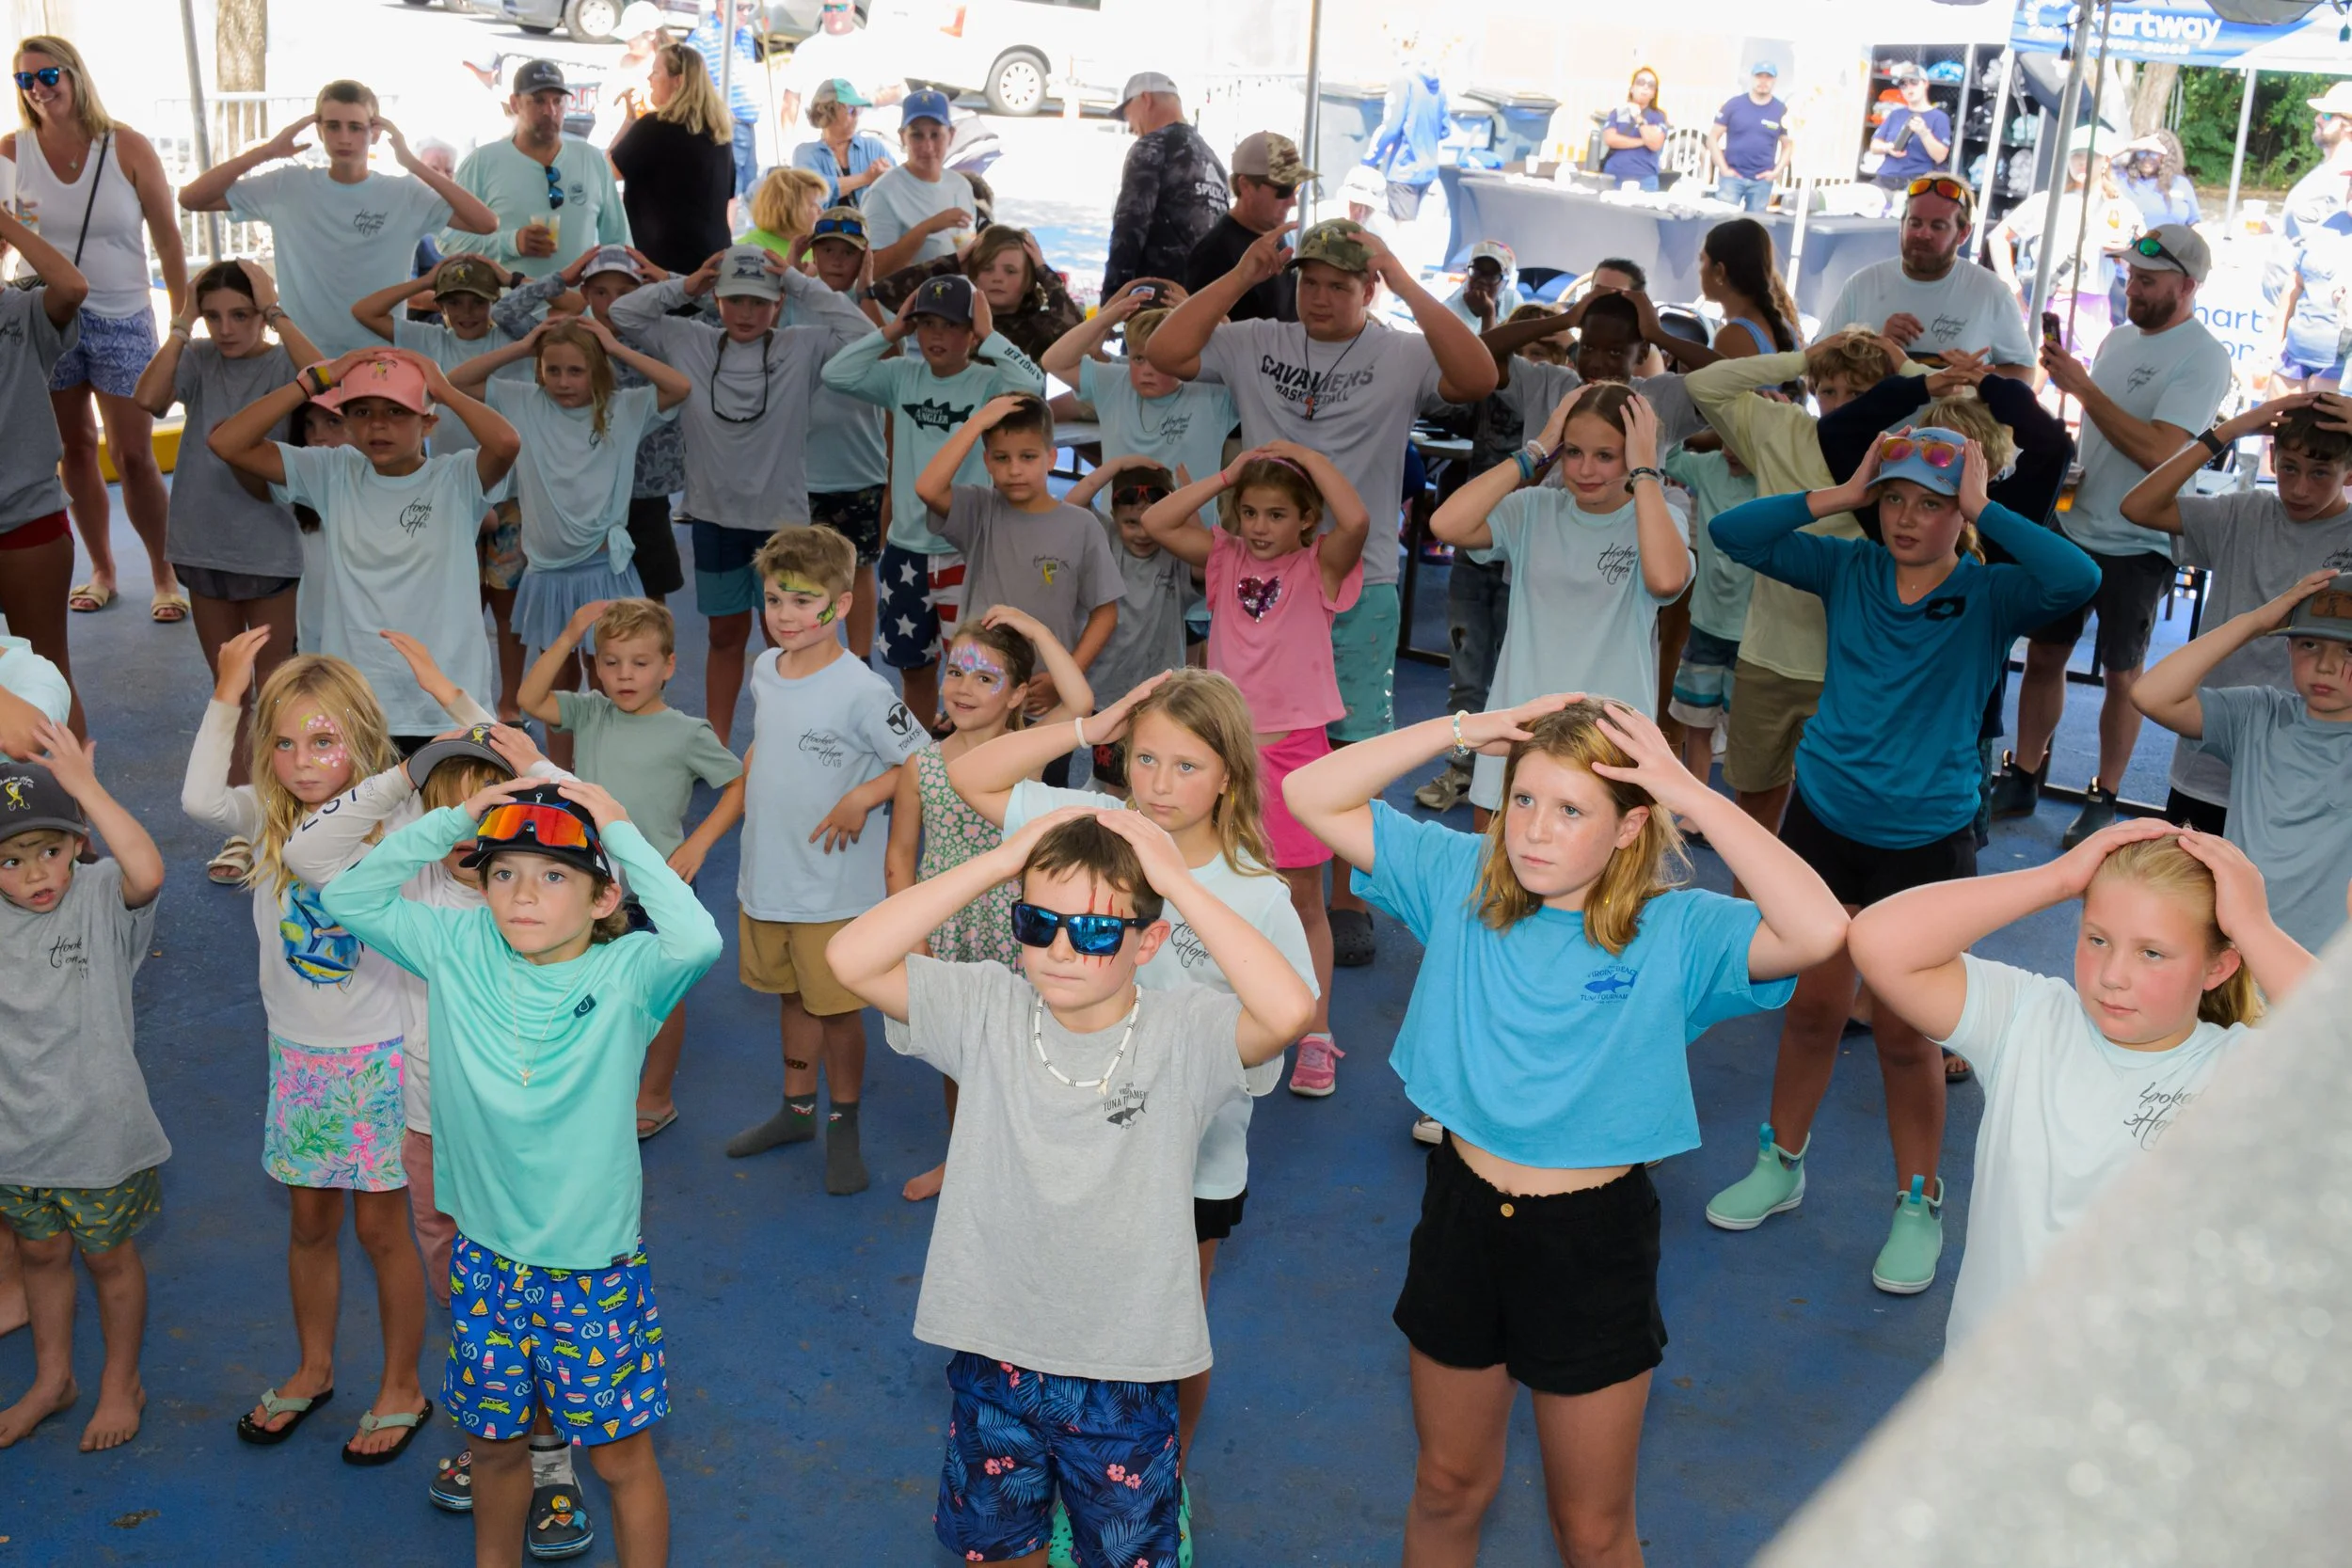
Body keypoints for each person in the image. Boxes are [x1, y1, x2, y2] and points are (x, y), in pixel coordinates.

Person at [1279, 695, 1846, 1567]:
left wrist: (1691, 792)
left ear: (1630, 830)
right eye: (1525, 801)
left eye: (1573, 809)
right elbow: (1311, 792)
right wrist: (1466, 729)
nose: (1534, 831)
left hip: (1592, 1243)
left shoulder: (1674, 930)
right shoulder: (1462, 880)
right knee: (1445, 1485)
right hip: (1463, 1219)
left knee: (1591, 1529)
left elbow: (1818, 928)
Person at [830, 785, 1314, 1566]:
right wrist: (1003, 861)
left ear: (1148, 942)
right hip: (995, 1354)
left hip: (1125, 1368)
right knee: (998, 1550)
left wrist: (1179, 880)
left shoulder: (1184, 1030)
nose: (1060, 948)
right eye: (1038, 922)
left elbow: (1290, 1009)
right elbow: (849, 956)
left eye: (1093, 929)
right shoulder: (986, 1006)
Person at [1700, 433, 2101, 1294]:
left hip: (1926, 836)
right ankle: (1783, 1161)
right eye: (1895, 499)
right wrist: (1841, 494)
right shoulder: (1848, 570)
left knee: (1904, 1031)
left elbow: (2080, 581)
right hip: (1826, 818)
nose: (1908, 518)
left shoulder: (1992, 594)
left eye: (1931, 502)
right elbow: (1736, 533)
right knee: (1811, 1009)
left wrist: (1986, 505)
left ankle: (1919, 1201)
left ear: (1961, 510)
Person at [321, 772, 722, 1567]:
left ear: (603, 898)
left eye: (553, 876)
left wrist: (621, 826)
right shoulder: (457, 944)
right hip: (486, 1261)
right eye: (502, 872)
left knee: (619, 1460)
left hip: (591, 1275)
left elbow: (700, 939)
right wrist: (450, 823)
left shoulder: (630, 974)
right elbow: (350, 897)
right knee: (496, 1450)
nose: (521, 895)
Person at [1148, 218, 1499, 980]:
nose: (1320, 297)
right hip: (1260, 573)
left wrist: (1406, 283)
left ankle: (1345, 893)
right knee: (1252, 736)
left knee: (1355, 744)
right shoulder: (1257, 339)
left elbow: (1478, 380)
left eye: (1341, 284)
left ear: (1368, 288)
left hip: (1357, 574)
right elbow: (1165, 351)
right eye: (1310, 281)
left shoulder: (1401, 351)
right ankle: (1243, 865)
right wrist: (1243, 275)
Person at [1854, 819, 2311, 1349]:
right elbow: (1878, 940)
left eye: (2152, 953)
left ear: (2219, 968)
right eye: (2098, 939)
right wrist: (2057, 879)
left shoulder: (2238, 1070)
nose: (2113, 974)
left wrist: (2254, 927)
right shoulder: (2027, 1018)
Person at [182, 640, 431, 1461]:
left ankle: (403, 1385)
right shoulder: (265, 816)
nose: (300, 761)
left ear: (362, 740)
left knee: (385, 1233)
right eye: (283, 743)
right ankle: (315, 1365)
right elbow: (194, 800)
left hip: (381, 1061)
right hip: (298, 1060)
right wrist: (228, 695)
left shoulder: (396, 826)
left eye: (322, 741)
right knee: (309, 1224)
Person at [1140, 441, 1371, 1093]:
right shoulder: (1222, 556)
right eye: (1249, 512)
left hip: (1295, 756)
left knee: (1302, 899)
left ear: (1305, 520)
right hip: (1221, 755)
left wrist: (1302, 453)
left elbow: (1356, 522)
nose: (1260, 526)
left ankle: (1317, 1032)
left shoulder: (1320, 566)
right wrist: (1225, 475)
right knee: (1214, 889)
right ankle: (1229, 1011)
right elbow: (1158, 522)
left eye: (1276, 513)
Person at [1995, 225, 2234, 847]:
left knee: (2124, 674)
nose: (2134, 288)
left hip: (2139, 539)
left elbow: (2161, 449)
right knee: (2043, 653)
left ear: (2187, 286)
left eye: (2148, 280)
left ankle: (2104, 794)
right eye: (2131, 276)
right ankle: (2024, 771)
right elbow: (2107, 430)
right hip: (2076, 521)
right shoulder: (2119, 338)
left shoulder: (2204, 356)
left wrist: (2083, 388)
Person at [724, 526, 930, 1194]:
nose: (783, 614)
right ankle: (796, 1107)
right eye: (774, 598)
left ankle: (844, 1122)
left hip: (834, 891)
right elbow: (764, 753)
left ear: (840, 605)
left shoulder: (863, 690)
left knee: (839, 1008)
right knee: (792, 994)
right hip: (771, 876)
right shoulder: (764, 669)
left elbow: (929, 762)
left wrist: (864, 795)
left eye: (801, 600)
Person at [610, 243, 869, 745]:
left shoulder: (802, 344)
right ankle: (719, 744)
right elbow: (622, 313)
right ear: (717, 298)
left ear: (777, 304)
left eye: (759, 301)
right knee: (724, 638)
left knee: (787, 639)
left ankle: (791, 740)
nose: (746, 313)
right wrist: (686, 286)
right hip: (714, 520)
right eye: (735, 300)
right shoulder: (690, 339)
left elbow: (863, 334)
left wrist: (798, 281)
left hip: (785, 526)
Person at [885, 608, 1096, 1204]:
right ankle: (966, 1163)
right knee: (962, 1059)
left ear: (1017, 695)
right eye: (956, 672)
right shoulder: (921, 767)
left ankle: (1037, 1167)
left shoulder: (1028, 748)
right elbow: (900, 859)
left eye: (985, 678)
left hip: (1020, 933)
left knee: (1036, 1054)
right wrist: (914, 941)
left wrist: (1039, 630)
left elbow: (1080, 701)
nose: (964, 688)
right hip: (949, 934)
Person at [208, 348, 520, 749]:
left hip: (448, 704)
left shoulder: (456, 477)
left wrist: (444, 388)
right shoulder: (332, 471)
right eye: (361, 412)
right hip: (356, 706)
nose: (377, 425)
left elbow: (507, 442)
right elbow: (227, 442)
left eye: (396, 412)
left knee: (453, 814)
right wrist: (311, 382)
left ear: (428, 423)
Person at [517, 597, 744, 1137]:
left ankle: (656, 1094)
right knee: (582, 982)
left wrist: (700, 844)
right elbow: (528, 698)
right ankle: (590, 1082)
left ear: (668, 666)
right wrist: (573, 631)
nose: (624, 675)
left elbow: (738, 785)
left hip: (650, 887)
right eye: (612, 662)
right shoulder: (591, 711)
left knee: (657, 990)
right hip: (586, 879)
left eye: (640, 663)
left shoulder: (688, 732)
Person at [131, 260, 324, 884]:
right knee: (231, 692)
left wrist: (276, 312)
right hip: (201, 539)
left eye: (240, 314)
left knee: (281, 694)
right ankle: (247, 827)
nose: (227, 327)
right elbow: (148, 398)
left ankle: (294, 819)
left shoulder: (279, 363)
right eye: (215, 315)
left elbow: (326, 383)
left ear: (262, 312)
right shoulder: (199, 357)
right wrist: (182, 326)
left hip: (269, 544)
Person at [0, 736, 166, 1453]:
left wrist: (84, 786)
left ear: (78, 844)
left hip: (102, 1134)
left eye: (51, 850)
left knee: (108, 1259)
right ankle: (52, 1378)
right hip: (19, 1137)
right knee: (39, 1257)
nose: (36, 873)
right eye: (10, 860)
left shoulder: (100, 896)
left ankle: (120, 1380)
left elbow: (149, 869)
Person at [1432, 380, 1692, 816]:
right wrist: (1537, 447)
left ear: (1634, 454)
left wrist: (1645, 471)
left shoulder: (1661, 516)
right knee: (1495, 879)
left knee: (1599, 881)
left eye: (1605, 455)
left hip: (1607, 738)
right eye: (1573, 452)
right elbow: (1446, 524)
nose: (1585, 469)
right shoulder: (1534, 508)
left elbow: (1666, 580)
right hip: (1520, 727)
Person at [1680, 328, 1900, 835]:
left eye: (1859, 394)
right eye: (1829, 391)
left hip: (1850, 664)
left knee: (1838, 821)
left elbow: (1961, 392)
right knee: (1754, 816)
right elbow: (1705, 385)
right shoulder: (1779, 427)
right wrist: (1804, 356)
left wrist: (1902, 364)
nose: (1840, 404)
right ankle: (1749, 913)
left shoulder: (1902, 449)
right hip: (1765, 656)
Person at [7, 36, 185, 624]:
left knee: (134, 455)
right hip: (43, 317)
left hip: (123, 315)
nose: (38, 88)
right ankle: (103, 569)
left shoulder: (125, 145)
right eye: (24, 79)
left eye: (48, 74)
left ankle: (164, 574)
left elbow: (167, 235)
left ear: (75, 75)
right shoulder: (11, 152)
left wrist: (182, 320)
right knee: (74, 449)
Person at [822, 272, 1047, 730]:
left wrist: (990, 335)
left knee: (975, 667)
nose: (936, 336)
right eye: (926, 325)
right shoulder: (900, 375)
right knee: (914, 668)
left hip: (963, 553)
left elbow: (1036, 385)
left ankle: (977, 764)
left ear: (969, 332)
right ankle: (920, 762)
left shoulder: (987, 384)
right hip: (905, 551)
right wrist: (891, 331)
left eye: (950, 326)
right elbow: (835, 373)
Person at [2119, 395, 2352, 832]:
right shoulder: (2244, 512)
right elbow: (2138, 507)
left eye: (2321, 473)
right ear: (2272, 458)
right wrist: (2227, 431)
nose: (2300, 488)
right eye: (2289, 468)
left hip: (2307, 766)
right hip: (2209, 751)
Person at [448, 318, 690, 692]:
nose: (563, 382)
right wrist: (523, 345)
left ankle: (601, 753)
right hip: (547, 573)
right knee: (558, 683)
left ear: (597, 369)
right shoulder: (524, 400)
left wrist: (615, 346)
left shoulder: (622, 408)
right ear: (539, 369)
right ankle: (560, 756)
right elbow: (455, 381)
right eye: (553, 370)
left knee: (606, 677)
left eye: (576, 371)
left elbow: (680, 387)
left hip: (603, 570)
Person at [179, 80, 498, 362]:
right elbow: (192, 199)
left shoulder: (404, 193)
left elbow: (485, 223)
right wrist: (268, 151)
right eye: (333, 126)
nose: (344, 137)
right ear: (319, 131)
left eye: (355, 127)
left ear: (375, 133)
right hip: (302, 359)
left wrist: (413, 164)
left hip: (380, 357)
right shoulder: (287, 185)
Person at [2132, 569, 2352, 954]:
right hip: (2234, 951)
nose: (2326, 666)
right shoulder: (2259, 714)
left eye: (2350, 650)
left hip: (2319, 970)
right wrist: (2254, 622)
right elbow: (2151, 695)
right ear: (2287, 648)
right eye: (2309, 645)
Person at [492, 245, 692, 610]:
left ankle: (654, 662)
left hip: (645, 489)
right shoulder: (571, 340)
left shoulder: (663, 336)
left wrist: (667, 279)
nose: (612, 302)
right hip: (579, 496)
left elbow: (713, 316)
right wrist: (560, 279)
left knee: (649, 594)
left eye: (625, 292)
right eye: (600, 292)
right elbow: (503, 312)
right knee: (587, 608)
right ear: (584, 294)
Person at [914, 396, 1125, 699]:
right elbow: (927, 487)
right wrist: (977, 423)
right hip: (978, 692)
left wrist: (1066, 675)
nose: (1014, 470)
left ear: (1051, 458)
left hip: (1041, 697)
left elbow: (1106, 613)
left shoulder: (1083, 526)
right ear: (987, 461)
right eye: (1001, 458)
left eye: (1028, 457)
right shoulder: (979, 509)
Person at [1041, 286, 1234, 519]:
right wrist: (1107, 317)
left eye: (1158, 360)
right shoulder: (1116, 382)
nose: (1146, 371)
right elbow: (1053, 361)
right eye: (1139, 359)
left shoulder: (1212, 393)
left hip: (1189, 541)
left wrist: (1205, 314)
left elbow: (1245, 361)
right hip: (1119, 535)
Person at [1814, 177, 2036, 374]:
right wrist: (1874, 347)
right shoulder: (1862, 285)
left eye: (1938, 226)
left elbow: (2024, 372)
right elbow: (1814, 364)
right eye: (1915, 223)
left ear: (1963, 233)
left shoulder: (1991, 293)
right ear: (1902, 225)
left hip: (1954, 422)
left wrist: (1978, 379)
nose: (1923, 234)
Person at [444, 60, 630, 282]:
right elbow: (447, 241)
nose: (549, 111)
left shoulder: (591, 160)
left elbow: (618, 241)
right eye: (538, 101)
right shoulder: (483, 163)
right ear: (515, 104)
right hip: (507, 311)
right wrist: (511, 243)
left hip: (578, 312)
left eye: (558, 101)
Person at [1988, 125, 2143, 361]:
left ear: (2105, 162)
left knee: (2076, 382)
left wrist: (2126, 252)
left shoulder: (2122, 208)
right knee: (2033, 372)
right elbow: (1998, 237)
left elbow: (2144, 259)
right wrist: (2012, 287)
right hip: (2048, 304)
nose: (2082, 162)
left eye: (2090, 156)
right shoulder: (2046, 201)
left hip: (2093, 308)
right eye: (2076, 155)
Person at [1058, 459, 1194, 725]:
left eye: (1151, 523)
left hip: (1159, 686)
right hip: (1103, 683)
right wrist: (1116, 465)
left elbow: (1203, 560)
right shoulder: (1104, 538)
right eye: (1132, 522)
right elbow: (1070, 506)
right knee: (1105, 759)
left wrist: (1188, 497)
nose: (1143, 533)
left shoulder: (1176, 552)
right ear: (1114, 514)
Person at [1661, 436, 1757, 782]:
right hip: (1705, 624)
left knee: (1746, 732)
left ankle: (1740, 814)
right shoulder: (1708, 466)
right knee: (1696, 720)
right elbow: (1667, 453)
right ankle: (1695, 808)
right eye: (1726, 439)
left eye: (1740, 440)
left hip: (1753, 631)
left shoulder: (1775, 477)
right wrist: (1708, 425)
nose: (1731, 450)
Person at [606, 43, 734, 277]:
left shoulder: (655, 127)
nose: (649, 78)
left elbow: (605, 173)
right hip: (713, 259)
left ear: (678, 80)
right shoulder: (719, 133)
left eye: (656, 72)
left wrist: (629, 124)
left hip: (663, 265)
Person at [877, 225, 1085, 367]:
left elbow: (1077, 332)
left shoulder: (1039, 326)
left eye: (1010, 271)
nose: (997, 278)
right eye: (987, 268)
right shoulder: (956, 317)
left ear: (1030, 282)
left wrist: (1043, 270)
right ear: (974, 276)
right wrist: (954, 262)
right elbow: (886, 293)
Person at [1104, 71, 1228, 297]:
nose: (1130, 126)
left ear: (1146, 99)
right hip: (1202, 302)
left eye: (1127, 113)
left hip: (1156, 303)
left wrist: (1112, 299)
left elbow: (1130, 226)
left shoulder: (1152, 147)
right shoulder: (1213, 160)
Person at [1183, 131, 1310, 323]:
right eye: (1284, 189)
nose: (1293, 201)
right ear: (1246, 186)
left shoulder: (1275, 236)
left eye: (1297, 188)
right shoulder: (1213, 254)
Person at [863, 89, 975, 276]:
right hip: (905, 304)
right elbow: (872, 270)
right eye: (917, 135)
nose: (927, 146)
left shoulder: (961, 186)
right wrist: (926, 228)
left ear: (951, 135)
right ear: (902, 137)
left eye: (935, 134)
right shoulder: (883, 193)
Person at [777, 0, 907, 130]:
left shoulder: (874, 46)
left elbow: (896, 91)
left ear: (852, 9)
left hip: (863, 137)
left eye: (840, 7)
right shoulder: (806, 49)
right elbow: (790, 99)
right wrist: (787, 140)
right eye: (828, 8)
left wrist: (869, 100)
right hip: (819, 139)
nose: (834, 13)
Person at [685, 0, 765, 209]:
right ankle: (725, 241)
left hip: (747, 123)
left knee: (752, 190)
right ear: (722, 5)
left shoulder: (746, 35)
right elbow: (691, 83)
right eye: (740, 7)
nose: (745, 13)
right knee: (728, 192)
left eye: (750, 7)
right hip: (725, 123)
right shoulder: (703, 37)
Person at [1697, 218, 1801, 358]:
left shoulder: (1733, 337)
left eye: (1702, 260)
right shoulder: (1782, 327)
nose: (1699, 271)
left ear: (1719, 271)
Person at [789, 77, 896, 209]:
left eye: (859, 109)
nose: (857, 114)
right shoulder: (806, 153)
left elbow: (900, 187)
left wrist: (890, 178)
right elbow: (813, 194)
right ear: (828, 112)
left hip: (871, 228)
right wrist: (866, 178)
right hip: (825, 229)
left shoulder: (874, 147)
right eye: (851, 109)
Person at [1867, 64, 1950, 204]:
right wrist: (1888, 147)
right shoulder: (1895, 114)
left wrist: (1924, 133)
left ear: (1925, 84)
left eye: (1914, 83)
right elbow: (1874, 146)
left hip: (1916, 182)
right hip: (1886, 177)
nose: (1908, 88)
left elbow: (1940, 156)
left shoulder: (1939, 118)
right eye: (1903, 85)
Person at [1712, 62, 1788, 214]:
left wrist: (1776, 172)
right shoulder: (1734, 105)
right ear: (1752, 78)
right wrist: (1724, 168)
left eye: (1768, 77)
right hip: (1732, 179)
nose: (1763, 81)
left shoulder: (1781, 110)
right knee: (1724, 226)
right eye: (1759, 76)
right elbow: (1712, 138)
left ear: (1774, 81)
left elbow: (1788, 146)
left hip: (1762, 182)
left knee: (1754, 230)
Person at [2281, 81, 2352, 244]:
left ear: (2348, 126)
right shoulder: (2327, 169)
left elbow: (2337, 247)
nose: (2317, 118)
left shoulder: (2346, 180)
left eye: (2327, 115)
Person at [1599, 67, 1669, 192]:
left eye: (1651, 85)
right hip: (1614, 177)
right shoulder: (1618, 112)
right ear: (1632, 88)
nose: (1645, 87)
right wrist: (1643, 141)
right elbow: (1610, 139)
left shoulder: (1658, 116)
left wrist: (1639, 119)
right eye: (1641, 82)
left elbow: (1655, 144)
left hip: (1644, 179)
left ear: (1654, 93)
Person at [2114, 131, 2200, 227]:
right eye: (2142, 152)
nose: (2146, 158)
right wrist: (2129, 146)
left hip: (2172, 240)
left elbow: (2195, 223)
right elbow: (2099, 159)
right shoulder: (2122, 178)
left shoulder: (2181, 183)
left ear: (2166, 156)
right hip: (2134, 240)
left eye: (2153, 154)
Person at [740, 166, 828, 260]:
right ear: (788, 208)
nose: (821, 211)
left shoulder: (818, 246)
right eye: (812, 205)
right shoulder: (748, 250)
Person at [1441, 240, 1524, 333]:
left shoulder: (1512, 301)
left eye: (1493, 275)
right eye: (1476, 271)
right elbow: (1487, 348)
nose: (1482, 280)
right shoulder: (1448, 313)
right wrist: (1488, 315)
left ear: (1505, 283)